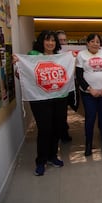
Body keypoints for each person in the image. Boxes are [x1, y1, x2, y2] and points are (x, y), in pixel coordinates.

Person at [26, 30, 67, 176]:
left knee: (57, 128)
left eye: (53, 41)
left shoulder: (60, 57)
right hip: (40, 99)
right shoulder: (32, 56)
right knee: (44, 129)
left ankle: (52, 156)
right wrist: (18, 65)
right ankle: (41, 161)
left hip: (59, 97)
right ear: (41, 41)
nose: (50, 43)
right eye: (47, 40)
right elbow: (24, 74)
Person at [76, 33, 102, 157]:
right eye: (92, 41)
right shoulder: (81, 55)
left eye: (97, 42)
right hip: (88, 94)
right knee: (90, 119)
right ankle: (88, 145)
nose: (95, 44)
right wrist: (89, 89)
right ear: (87, 43)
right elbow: (79, 75)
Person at [55, 30, 73, 143]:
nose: (63, 43)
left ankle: (64, 132)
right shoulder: (50, 54)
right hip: (54, 88)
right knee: (57, 114)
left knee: (63, 112)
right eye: (60, 40)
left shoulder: (69, 54)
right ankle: (59, 134)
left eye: (64, 40)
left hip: (67, 87)